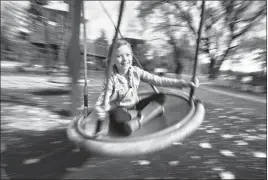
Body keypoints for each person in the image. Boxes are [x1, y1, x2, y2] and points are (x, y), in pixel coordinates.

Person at [91, 39, 199, 136]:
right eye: (119, 56)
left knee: (160, 96)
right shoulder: (111, 79)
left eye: (128, 55)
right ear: (112, 60)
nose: (125, 59)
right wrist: (99, 109)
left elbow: (159, 80)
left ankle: (138, 120)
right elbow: (101, 101)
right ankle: (152, 112)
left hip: (136, 106)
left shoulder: (136, 71)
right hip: (121, 111)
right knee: (117, 118)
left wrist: (184, 83)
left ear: (132, 56)